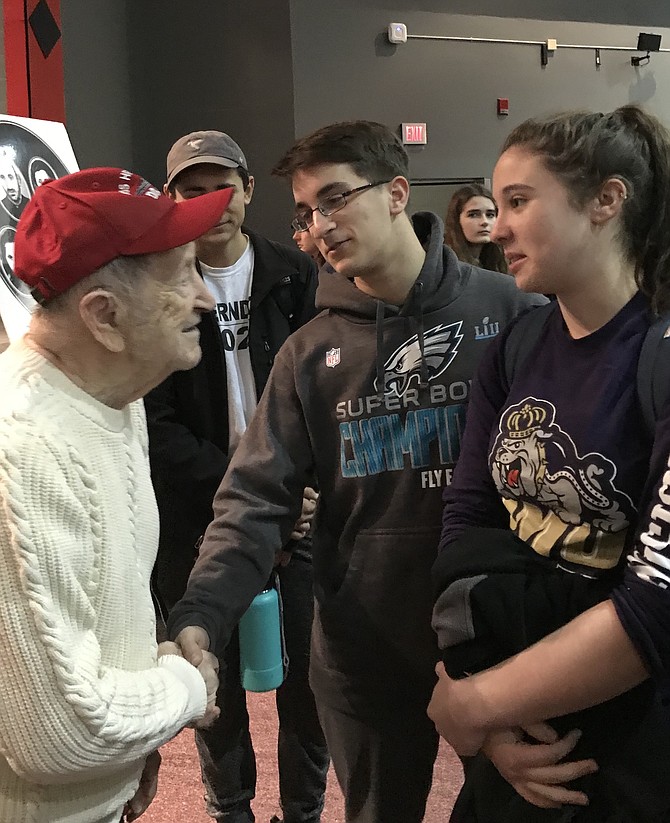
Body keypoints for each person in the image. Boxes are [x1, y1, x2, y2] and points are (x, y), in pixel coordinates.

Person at [166, 120, 545, 823]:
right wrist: (201, 612)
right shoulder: (308, 353)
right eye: (308, 210)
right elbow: (253, 499)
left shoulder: (514, 313)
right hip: (363, 656)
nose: (321, 224)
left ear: (397, 192)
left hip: (497, 643)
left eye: (336, 198)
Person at [429, 105, 670, 822]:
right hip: (519, 721)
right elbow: (467, 523)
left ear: (606, 200)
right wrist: (495, 717)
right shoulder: (515, 346)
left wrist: (475, 703)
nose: (496, 225)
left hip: (632, 745)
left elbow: (657, 603)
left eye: (519, 201)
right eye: (496, 204)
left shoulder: (656, 356)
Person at [0, 167, 233, 823]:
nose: (205, 298)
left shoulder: (112, 394)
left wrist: (141, 719)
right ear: (104, 315)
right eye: (183, 274)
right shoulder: (24, 446)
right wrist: (186, 685)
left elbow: (101, 593)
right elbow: (61, 733)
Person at [145, 129, 328, 823]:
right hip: (198, 512)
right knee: (210, 677)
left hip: (301, 507)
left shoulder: (296, 272)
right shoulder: (158, 279)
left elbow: (327, 391)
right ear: (172, 200)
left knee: (309, 683)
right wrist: (243, 487)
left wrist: (300, 488)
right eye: (193, 190)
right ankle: (231, 810)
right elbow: (155, 422)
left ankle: (304, 811)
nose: (212, 202)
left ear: (250, 188)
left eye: (224, 186)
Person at [443, 183, 507, 273]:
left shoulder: (500, 260)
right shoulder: (444, 262)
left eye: (490, 215)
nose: (484, 222)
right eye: (473, 215)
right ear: (457, 219)